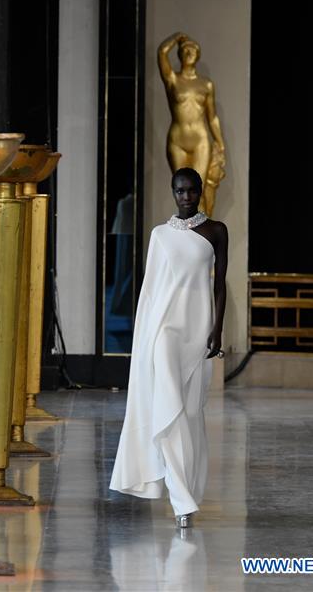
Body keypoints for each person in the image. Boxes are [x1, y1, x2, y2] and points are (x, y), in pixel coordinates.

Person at [109, 167, 228, 528]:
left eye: (192, 191)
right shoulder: (159, 235)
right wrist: (145, 339)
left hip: (198, 330)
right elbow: (150, 292)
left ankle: (189, 491)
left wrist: (218, 330)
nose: (186, 197)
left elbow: (220, 286)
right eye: (180, 192)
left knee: (190, 414)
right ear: (172, 192)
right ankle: (182, 502)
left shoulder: (216, 231)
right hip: (164, 331)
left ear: (201, 191)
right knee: (171, 410)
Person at [158, 32, 226, 217]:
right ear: (179, 54)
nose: (189, 51)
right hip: (177, 139)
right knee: (182, 194)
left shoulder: (206, 84)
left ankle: (203, 237)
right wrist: (176, 38)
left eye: (193, 49)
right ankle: (185, 236)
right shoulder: (172, 80)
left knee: (199, 192)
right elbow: (162, 53)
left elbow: (212, 117)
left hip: (200, 140)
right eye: (185, 49)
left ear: (198, 54)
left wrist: (220, 143)